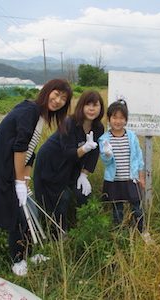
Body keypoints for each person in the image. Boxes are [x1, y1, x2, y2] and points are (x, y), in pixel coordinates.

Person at [0, 78, 72, 276]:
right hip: (1, 170)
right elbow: (19, 148)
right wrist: (19, 181)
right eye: (56, 93)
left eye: (64, 98)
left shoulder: (40, 116)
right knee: (17, 216)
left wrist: (25, 181)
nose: (58, 100)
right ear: (47, 90)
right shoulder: (31, 111)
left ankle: (29, 253)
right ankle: (17, 260)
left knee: (28, 212)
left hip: (13, 171)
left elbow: (29, 152)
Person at [33, 90, 104, 232]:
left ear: (100, 108)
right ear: (81, 106)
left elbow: (94, 152)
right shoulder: (69, 123)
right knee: (61, 198)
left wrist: (84, 175)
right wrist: (85, 148)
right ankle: (59, 234)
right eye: (88, 104)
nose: (91, 108)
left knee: (83, 193)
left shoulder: (98, 128)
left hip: (72, 166)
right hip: (52, 164)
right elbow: (68, 153)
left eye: (95, 105)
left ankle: (85, 228)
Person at [98, 100, 153, 244]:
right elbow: (105, 161)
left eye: (121, 118)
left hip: (131, 179)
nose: (118, 121)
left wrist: (141, 177)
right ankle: (119, 236)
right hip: (114, 181)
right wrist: (107, 155)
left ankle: (143, 232)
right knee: (117, 210)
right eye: (114, 117)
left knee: (137, 207)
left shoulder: (131, 136)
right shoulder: (104, 139)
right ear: (109, 119)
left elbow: (138, 158)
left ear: (126, 120)